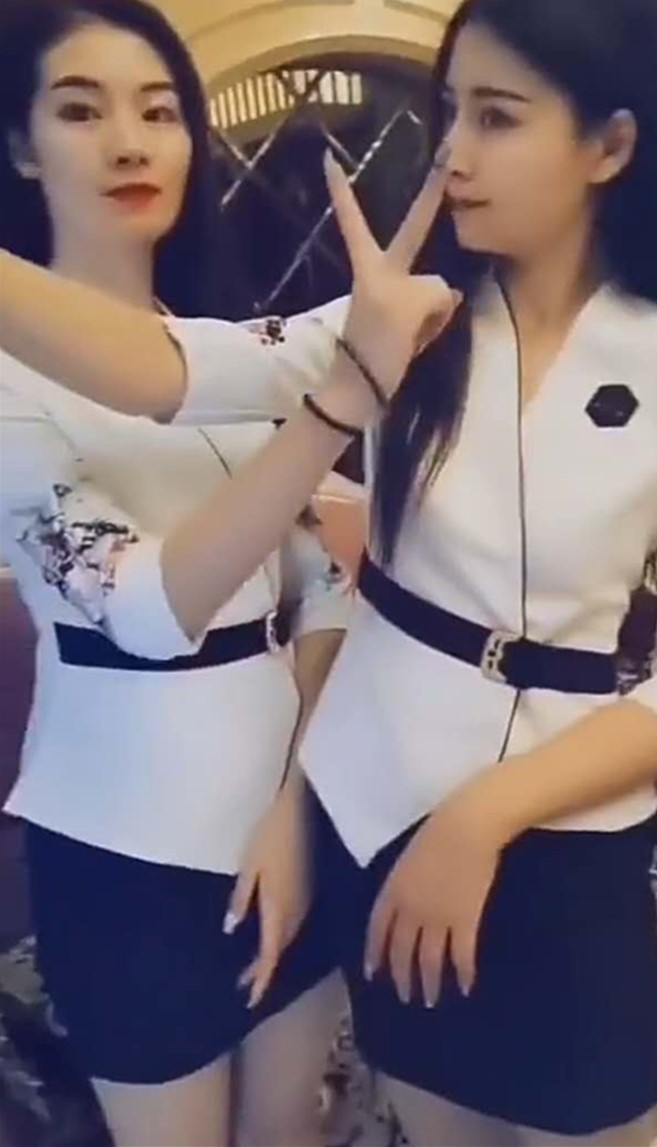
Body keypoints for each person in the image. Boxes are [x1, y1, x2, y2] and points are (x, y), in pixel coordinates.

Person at [1, 0, 657, 1143]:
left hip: (566, 832)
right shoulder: (403, 325)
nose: (451, 153)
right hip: (375, 810)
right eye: (446, 112)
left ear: (607, 147)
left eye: (495, 118)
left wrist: (479, 816)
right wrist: (354, 362)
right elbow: (163, 368)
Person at [0, 1, 457, 1144]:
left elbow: (322, 589)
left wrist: (294, 807)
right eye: (81, 111)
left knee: (289, 1132)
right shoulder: (10, 381)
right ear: (20, 147)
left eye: (159, 112)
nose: (129, 143)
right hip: (125, 861)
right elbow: (148, 608)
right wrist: (337, 403)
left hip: (284, 827)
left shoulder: (222, 353)